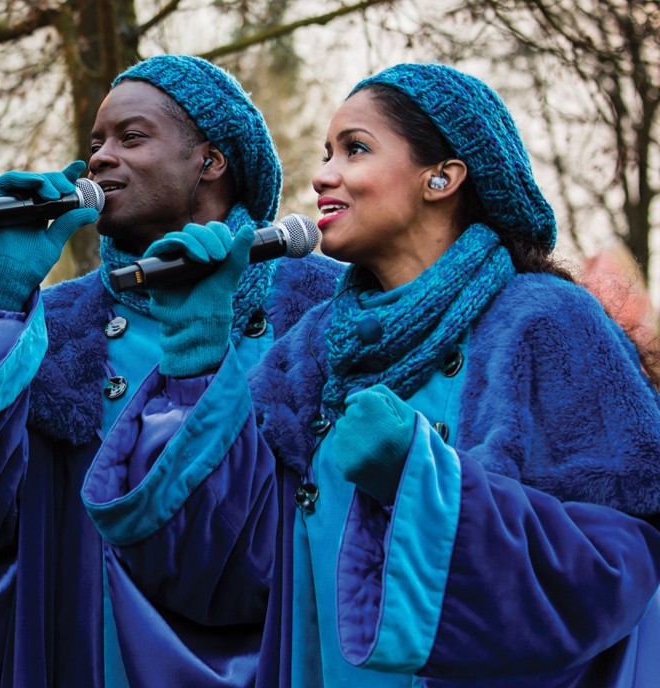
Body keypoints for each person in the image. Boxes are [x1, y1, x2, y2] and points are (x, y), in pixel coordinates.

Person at [83, 62, 660, 687]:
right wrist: (195, 351)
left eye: (355, 149)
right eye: (327, 152)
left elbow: (617, 562)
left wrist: (418, 479)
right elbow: (228, 568)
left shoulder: (545, 320)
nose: (323, 175)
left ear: (442, 177)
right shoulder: (308, 351)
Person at [0, 55, 342, 686]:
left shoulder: (321, 308)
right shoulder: (56, 320)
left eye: (132, 137)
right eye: (96, 142)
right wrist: (0, 292)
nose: (99, 157)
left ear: (211, 160)